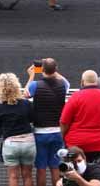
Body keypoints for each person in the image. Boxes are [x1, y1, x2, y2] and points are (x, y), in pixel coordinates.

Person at [24, 58, 70, 186]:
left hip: (40, 133)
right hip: (57, 132)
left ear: (42, 69)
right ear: (55, 70)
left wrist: (32, 75)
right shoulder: (63, 85)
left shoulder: (35, 85)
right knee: (55, 167)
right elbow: (67, 83)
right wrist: (53, 70)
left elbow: (25, 94)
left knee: (41, 168)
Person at [60, 70, 100, 162]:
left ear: (82, 82)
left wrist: (63, 136)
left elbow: (64, 121)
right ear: (97, 82)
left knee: (73, 172)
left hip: (76, 144)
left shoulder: (75, 97)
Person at [0, 73, 36, 186]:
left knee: (13, 177)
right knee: (27, 175)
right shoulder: (26, 104)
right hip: (28, 142)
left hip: (10, 144)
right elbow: (32, 119)